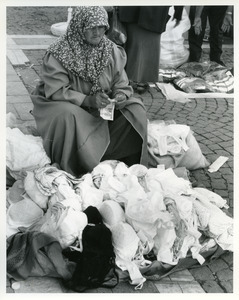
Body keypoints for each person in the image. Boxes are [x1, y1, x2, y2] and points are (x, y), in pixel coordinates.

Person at [31, 6, 148, 177]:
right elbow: (56, 91)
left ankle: (119, 160)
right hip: (72, 107)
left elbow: (120, 81)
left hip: (101, 107)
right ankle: (77, 166)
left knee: (135, 108)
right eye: (92, 27)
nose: (98, 32)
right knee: (67, 115)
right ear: (79, 26)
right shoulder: (59, 52)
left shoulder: (110, 50)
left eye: (102, 27)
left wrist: (120, 95)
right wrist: (88, 100)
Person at [118, 6, 183, 83]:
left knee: (133, 48)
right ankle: (138, 81)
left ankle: (130, 80)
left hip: (134, 12)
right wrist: (178, 13)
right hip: (152, 13)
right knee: (141, 49)